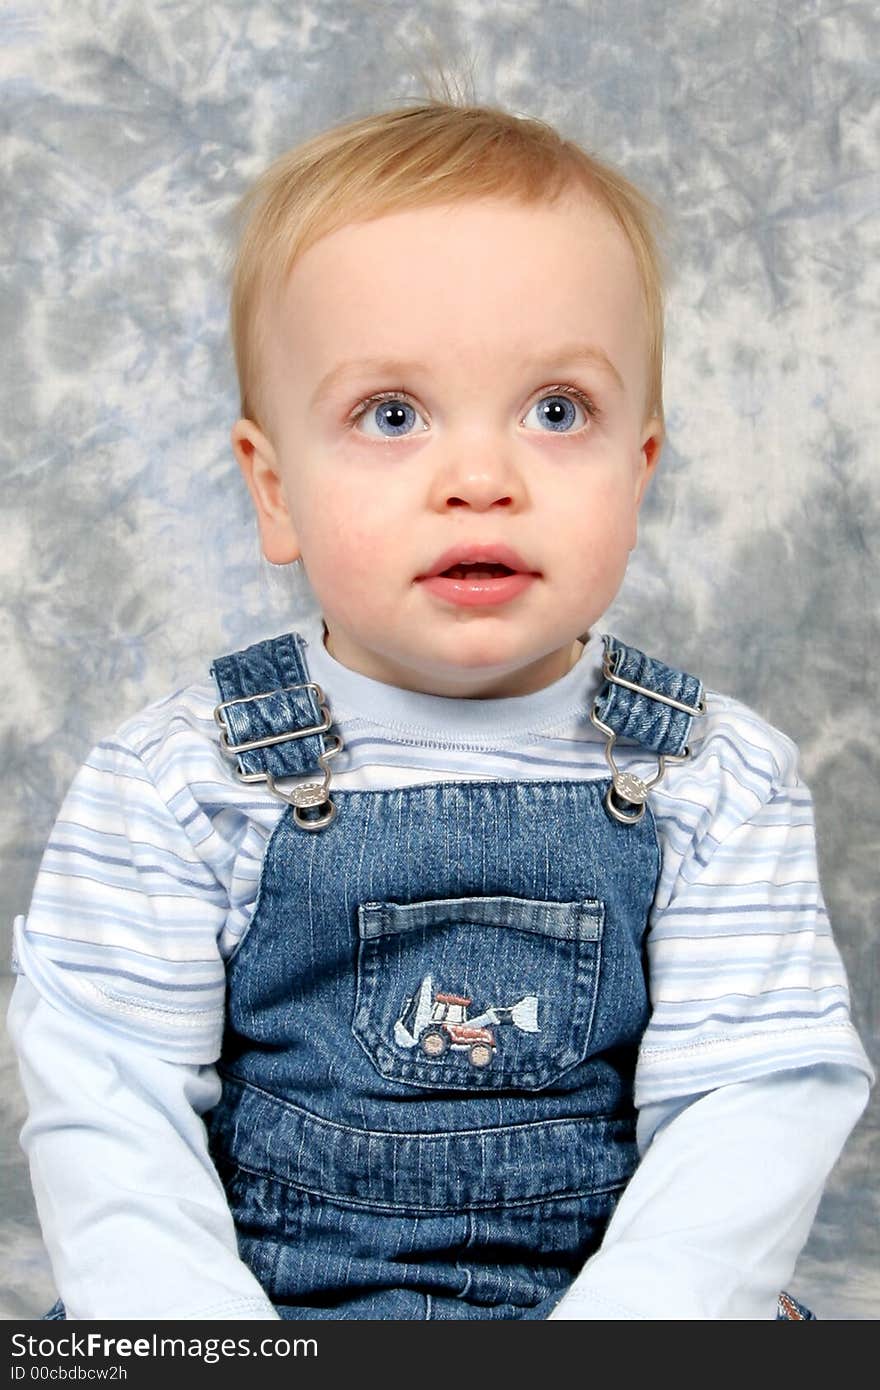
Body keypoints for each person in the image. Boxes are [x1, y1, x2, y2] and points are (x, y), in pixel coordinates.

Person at [8, 100, 872, 1322]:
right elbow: (111, 1106)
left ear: (640, 469)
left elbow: (748, 1103)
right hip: (257, 1300)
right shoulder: (180, 778)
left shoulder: (709, 777)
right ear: (275, 489)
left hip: (614, 1298)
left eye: (557, 410)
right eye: (392, 414)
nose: (480, 480)